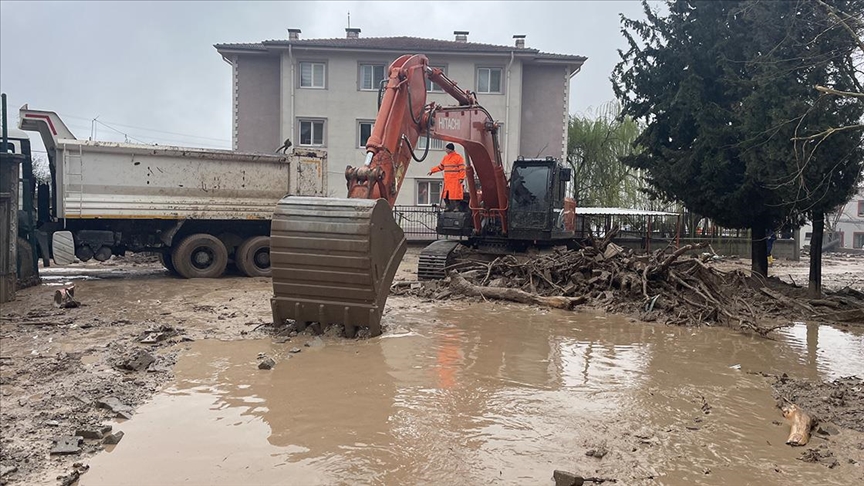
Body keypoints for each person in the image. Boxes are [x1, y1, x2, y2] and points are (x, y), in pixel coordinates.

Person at [427, 143, 465, 210]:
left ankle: (456, 207)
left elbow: (462, 169)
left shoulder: (458, 157)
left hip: (455, 180)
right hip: (448, 180)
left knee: (455, 195)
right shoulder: (446, 158)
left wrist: (461, 178)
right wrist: (432, 171)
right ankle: (448, 207)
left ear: (450, 149)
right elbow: (441, 167)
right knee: (446, 195)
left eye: (446, 149)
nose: (445, 150)